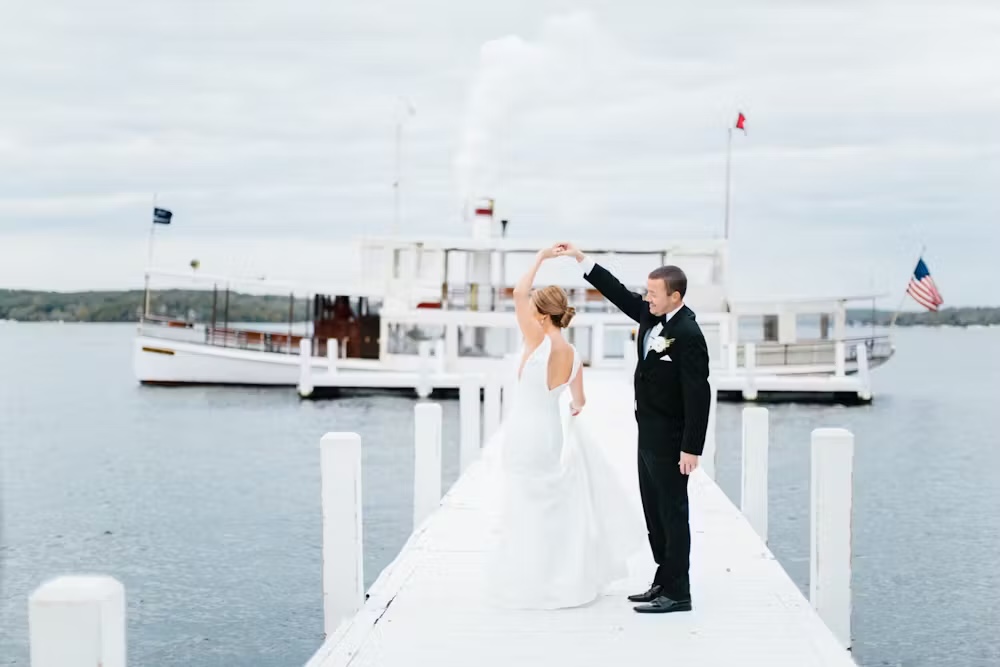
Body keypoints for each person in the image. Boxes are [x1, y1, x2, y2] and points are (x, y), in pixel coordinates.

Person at [484, 246, 645, 609]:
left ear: (541, 316)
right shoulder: (573, 356)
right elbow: (579, 402)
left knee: (524, 503)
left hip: (524, 433)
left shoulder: (534, 341)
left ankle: (531, 575)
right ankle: (553, 572)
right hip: (550, 435)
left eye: (533, 310)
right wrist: (571, 406)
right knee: (546, 503)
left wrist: (540, 258)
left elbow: (518, 292)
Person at [554, 241, 711, 614]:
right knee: (654, 511)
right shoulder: (650, 316)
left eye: (654, 293)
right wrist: (581, 260)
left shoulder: (688, 334)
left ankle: (679, 592)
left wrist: (692, 447)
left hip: (673, 440)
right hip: (648, 433)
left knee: (673, 512)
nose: (647, 298)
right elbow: (617, 292)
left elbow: (699, 394)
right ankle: (663, 579)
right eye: (647, 292)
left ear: (675, 297)